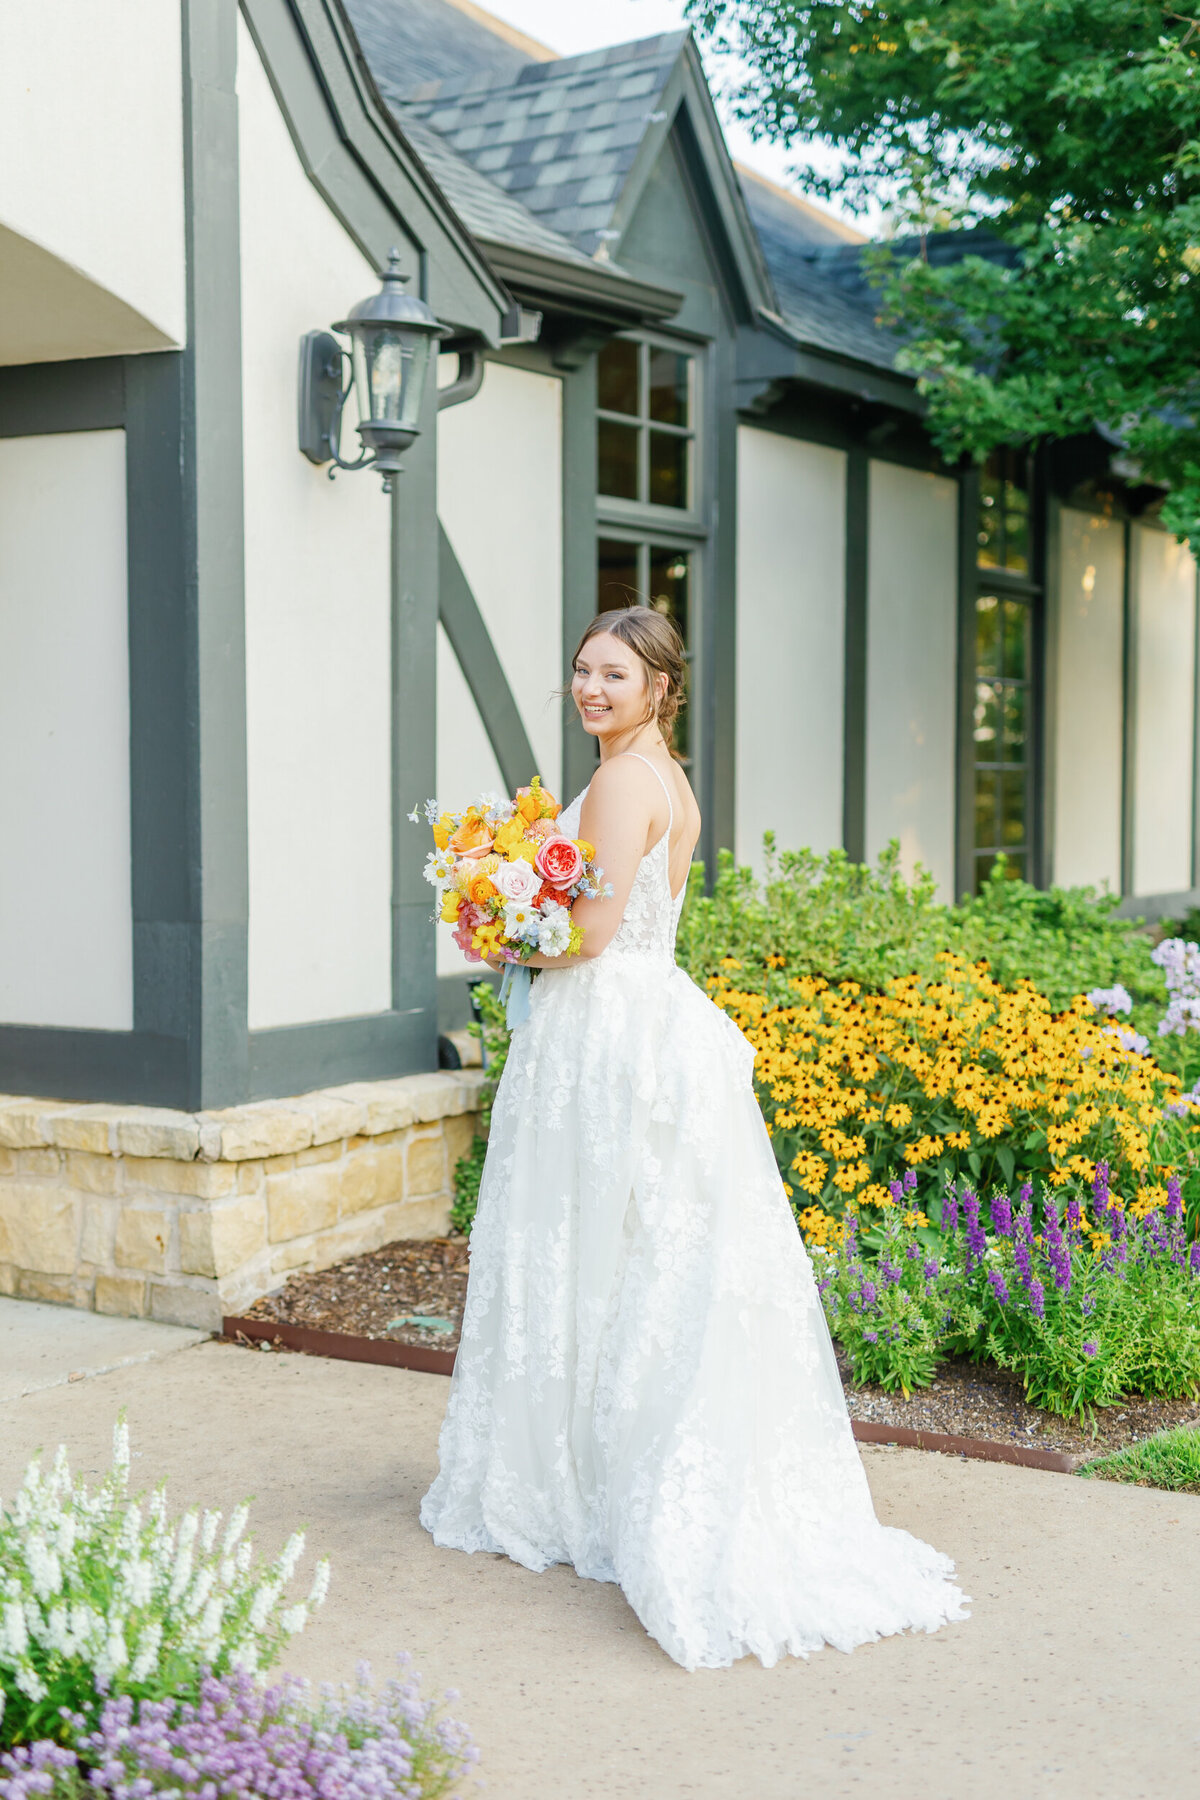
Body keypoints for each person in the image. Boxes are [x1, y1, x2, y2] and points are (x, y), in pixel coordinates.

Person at [420, 605, 968, 1670]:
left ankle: (586, 1478)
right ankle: (607, 1465)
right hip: (644, 1019)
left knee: (594, 1247)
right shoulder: (666, 778)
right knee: (638, 1254)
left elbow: (587, 935)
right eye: (583, 670)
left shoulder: (624, 783)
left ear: (660, 688)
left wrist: (495, 927)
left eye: (614, 675)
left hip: (603, 1032)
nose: (590, 689)